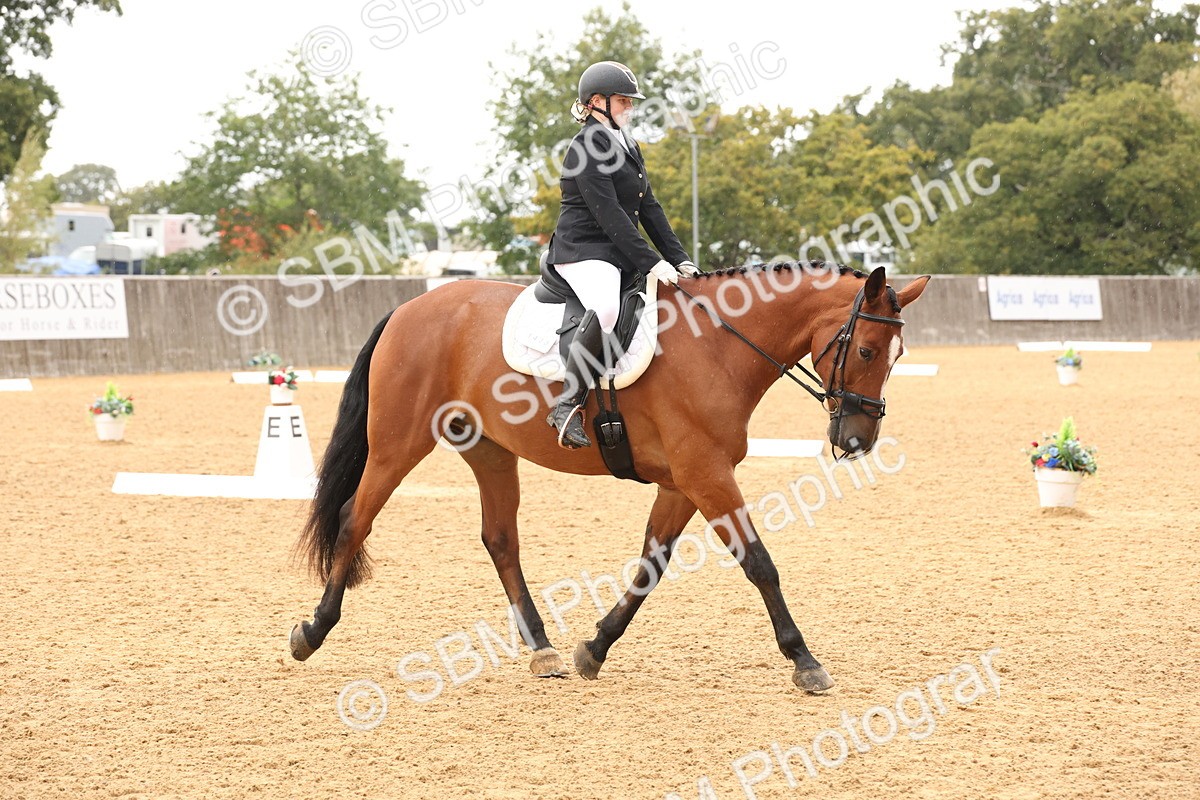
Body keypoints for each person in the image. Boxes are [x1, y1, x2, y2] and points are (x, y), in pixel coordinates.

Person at [544, 60, 698, 450]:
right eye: (623, 100)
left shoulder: (627, 144)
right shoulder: (584, 148)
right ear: (597, 102)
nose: (630, 107)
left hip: (617, 252)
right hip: (583, 250)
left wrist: (679, 258)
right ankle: (566, 404)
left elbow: (650, 207)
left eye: (631, 101)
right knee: (607, 308)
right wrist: (652, 262)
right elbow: (609, 213)